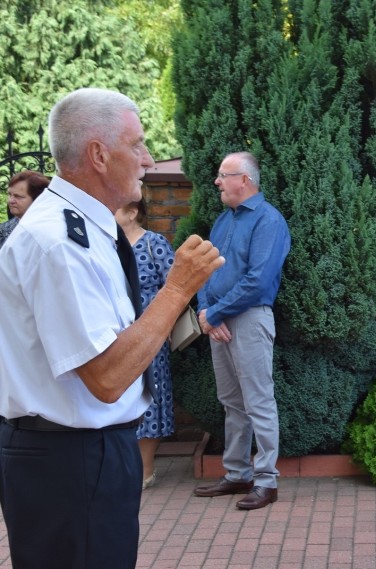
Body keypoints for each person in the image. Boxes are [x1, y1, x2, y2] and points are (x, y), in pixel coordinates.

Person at [0, 87, 223, 569]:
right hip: (71, 459)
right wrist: (178, 288)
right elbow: (106, 377)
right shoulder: (59, 240)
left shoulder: (84, 227)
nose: (146, 159)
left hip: (88, 454)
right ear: (99, 155)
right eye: (137, 144)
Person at [193, 151, 290, 511]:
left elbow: (258, 280)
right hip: (220, 321)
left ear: (244, 180)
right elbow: (206, 268)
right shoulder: (223, 220)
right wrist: (207, 310)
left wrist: (215, 313)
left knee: (258, 401)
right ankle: (237, 474)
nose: (217, 181)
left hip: (249, 318)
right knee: (232, 403)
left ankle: (266, 481)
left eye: (223, 175)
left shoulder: (269, 221)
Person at [116, 196, 176, 489]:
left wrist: (162, 323)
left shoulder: (154, 243)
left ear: (132, 213)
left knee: (151, 398)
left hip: (151, 335)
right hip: (115, 337)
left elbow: (176, 286)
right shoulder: (106, 244)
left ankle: (146, 470)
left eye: (115, 208)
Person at [0, 170, 50, 248]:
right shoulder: (3, 230)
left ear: (37, 199)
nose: (10, 201)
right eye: (10, 195)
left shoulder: (50, 231)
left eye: (18, 196)